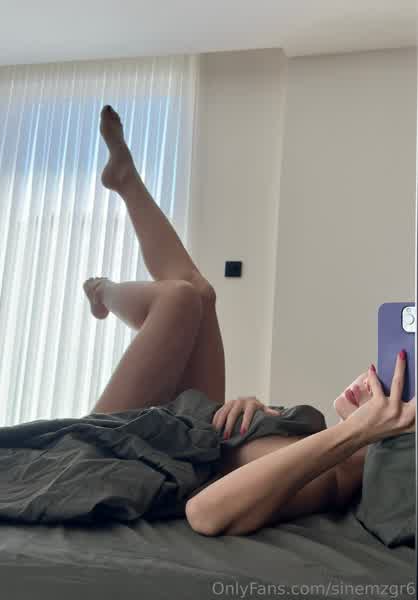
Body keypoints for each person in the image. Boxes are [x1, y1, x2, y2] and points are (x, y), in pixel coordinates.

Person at [83, 105, 416, 537]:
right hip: (191, 428)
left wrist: (356, 431)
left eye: (395, 388)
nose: (372, 380)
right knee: (199, 293)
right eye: (383, 370)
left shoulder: (334, 474)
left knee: (179, 299)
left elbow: (205, 512)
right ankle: (125, 178)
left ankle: (100, 290)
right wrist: (252, 412)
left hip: (115, 455)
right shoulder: (326, 443)